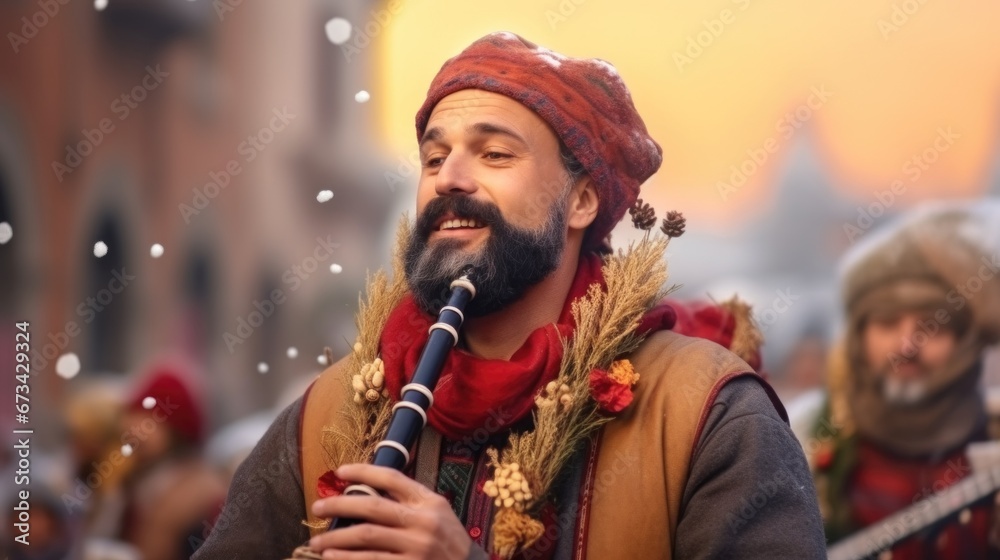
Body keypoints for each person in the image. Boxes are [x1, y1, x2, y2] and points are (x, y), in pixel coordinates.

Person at [194, 31, 825, 559]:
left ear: (581, 202)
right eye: (433, 157)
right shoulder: (325, 414)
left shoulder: (705, 412)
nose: (450, 179)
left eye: (495, 154)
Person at [803, 202, 1000, 558]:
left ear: (967, 341)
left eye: (933, 326)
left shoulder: (994, 442)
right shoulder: (802, 441)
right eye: (888, 323)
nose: (908, 346)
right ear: (858, 336)